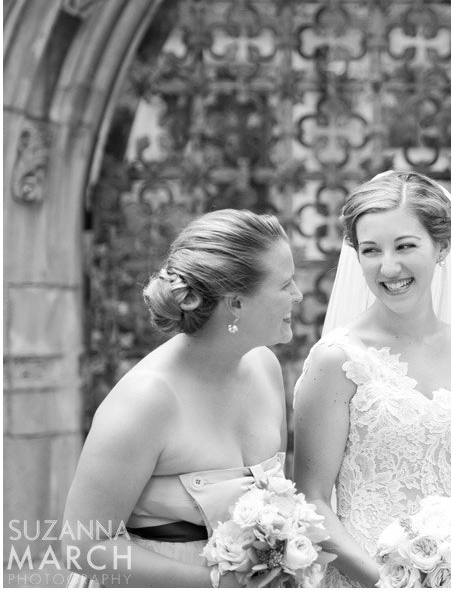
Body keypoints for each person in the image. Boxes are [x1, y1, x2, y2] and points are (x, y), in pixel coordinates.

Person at [63, 209, 302, 587]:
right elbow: (82, 547)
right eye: (285, 284)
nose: (297, 295)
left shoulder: (265, 367)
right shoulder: (146, 400)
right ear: (236, 303)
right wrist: (215, 583)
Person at [291, 170, 451, 587]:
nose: (388, 267)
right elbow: (312, 501)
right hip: (367, 577)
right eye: (371, 250)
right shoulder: (337, 359)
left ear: (442, 246)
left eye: (405, 246)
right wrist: (387, 582)